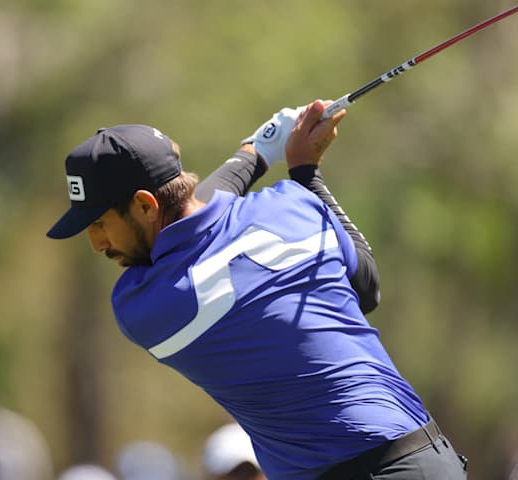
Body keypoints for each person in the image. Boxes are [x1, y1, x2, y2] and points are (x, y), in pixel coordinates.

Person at [46, 99, 468, 480]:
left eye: (100, 224)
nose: (97, 243)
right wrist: (302, 170)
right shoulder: (291, 205)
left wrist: (255, 154)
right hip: (429, 457)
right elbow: (366, 287)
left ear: (144, 205)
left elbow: (207, 207)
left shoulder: (143, 306)